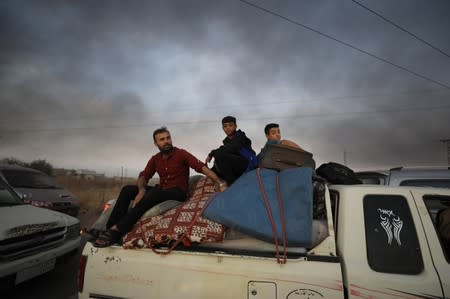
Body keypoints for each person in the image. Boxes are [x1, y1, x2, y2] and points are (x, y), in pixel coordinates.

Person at [91, 127, 227, 247]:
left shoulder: (181, 154)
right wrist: (141, 190)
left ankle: (118, 229)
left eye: (168, 138)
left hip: (177, 192)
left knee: (154, 194)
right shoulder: (155, 159)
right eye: (162, 139)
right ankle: (109, 229)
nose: (166, 141)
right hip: (161, 190)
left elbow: (201, 167)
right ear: (156, 143)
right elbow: (144, 176)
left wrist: (218, 181)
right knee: (127, 190)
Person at [205, 116, 256, 185]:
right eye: (225, 126)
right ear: (223, 128)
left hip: (247, 164)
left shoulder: (240, 137)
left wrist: (212, 153)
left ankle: (231, 184)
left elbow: (232, 148)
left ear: (235, 126)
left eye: (230, 125)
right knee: (215, 164)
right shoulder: (226, 142)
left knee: (220, 154)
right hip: (234, 165)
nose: (228, 128)